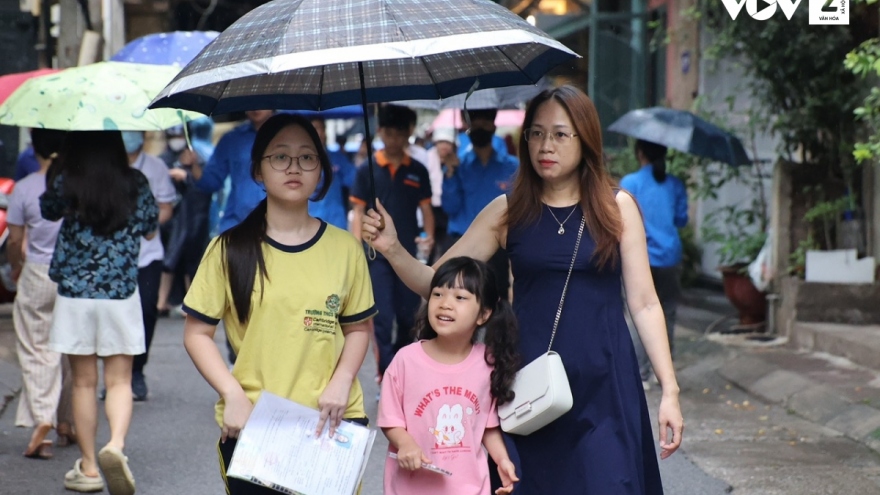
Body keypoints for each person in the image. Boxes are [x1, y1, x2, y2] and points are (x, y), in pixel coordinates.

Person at [362, 85, 684, 494]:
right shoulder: (508, 210)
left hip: (605, 382)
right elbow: (435, 283)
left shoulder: (617, 207)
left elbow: (645, 304)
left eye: (560, 134)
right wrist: (392, 248)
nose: (545, 145)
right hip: (529, 381)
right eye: (536, 133)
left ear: (586, 139)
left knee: (609, 480)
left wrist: (669, 390)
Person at [181, 113, 376, 495]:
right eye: (280, 156)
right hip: (256, 422)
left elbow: (357, 329)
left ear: (321, 169)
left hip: (331, 419)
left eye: (307, 157)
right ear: (258, 169)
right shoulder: (228, 249)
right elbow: (196, 334)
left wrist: (341, 382)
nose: (294, 167)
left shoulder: (345, 249)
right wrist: (232, 394)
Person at [41, 130, 159, 494]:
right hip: (120, 293)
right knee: (120, 381)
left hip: (75, 296)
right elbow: (150, 231)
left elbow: (48, 210)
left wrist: (58, 169)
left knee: (83, 382)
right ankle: (116, 446)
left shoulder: (67, 179)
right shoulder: (135, 181)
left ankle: (90, 467)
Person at [378, 256, 520, 495]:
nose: (445, 304)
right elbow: (390, 419)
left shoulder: (487, 363)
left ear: (483, 314)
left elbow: (486, 426)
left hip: (469, 488)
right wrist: (406, 444)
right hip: (411, 488)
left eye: (460, 297)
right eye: (438, 294)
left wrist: (503, 461)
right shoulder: (406, 360)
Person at [350, 104, 434, 384]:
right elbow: (358, 212)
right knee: (382, 318)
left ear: (409, 132)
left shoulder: (418, 170)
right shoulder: (367, 169)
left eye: (400, 133)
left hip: (407, 255)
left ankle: (403, 368)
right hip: (376, 256)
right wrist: (357, 249)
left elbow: (427, 209)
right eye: (389, 133)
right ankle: (386, 374)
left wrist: (428, 236)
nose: (394, 139)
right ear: (380, 131)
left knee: (410, 316)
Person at [8, 128, 71, 460]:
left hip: (36, 271)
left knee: (36, 349)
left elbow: (15, 240)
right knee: (68, 349)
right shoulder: (75, 183)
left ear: (34, 149)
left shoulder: (24, 187)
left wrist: (15, 267)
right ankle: (67, 422)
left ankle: (43, 419)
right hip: (71, 273)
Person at [620, 140, 688, 388]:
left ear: (640, 153)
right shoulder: (675, 184)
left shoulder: (630, 183)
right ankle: (663, 374)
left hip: (639, 259)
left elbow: (619, 221)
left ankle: (641, 373)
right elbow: (681, 220)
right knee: (667, 313)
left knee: (638, 313)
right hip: (670, 257)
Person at [119, 131, 176, 401]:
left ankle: (137, 370)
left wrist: (144, 226)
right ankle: (117, 374)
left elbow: (166, 207)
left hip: (147, 254)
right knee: (117, 316)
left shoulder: (155, 167)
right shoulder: (106, 166)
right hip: (114, 258)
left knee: (146, 311)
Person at [441, 109, 518, 299]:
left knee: (497, 301)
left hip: (497, 247)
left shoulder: (512, 166)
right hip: (462, 244)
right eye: (475, 125)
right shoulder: (457, 166)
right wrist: (450, 174)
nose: (480, 129)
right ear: (467, 128)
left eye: (485, 124)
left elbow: (519, 208)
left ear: (493, 126)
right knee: (460, 300)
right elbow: (450, 207)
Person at [158, 119, 215, 317]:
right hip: (169, 220)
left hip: (192, 218)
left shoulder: (198, 156)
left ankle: (191, 302)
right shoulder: (163, 159)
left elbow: (205, 186)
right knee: (168, 260)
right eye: (173, 135)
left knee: (192, 260)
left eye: (180, 135)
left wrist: (188, 173)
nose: (176, 139)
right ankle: (161, 301)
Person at [191, 110, 273, 234]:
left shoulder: (290, 134)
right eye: (250, 102)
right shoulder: (232, 138)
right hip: (237, 224)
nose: (256, 108)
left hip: (279, 224)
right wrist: (193, 165)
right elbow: (212, 181)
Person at [307, 116, 356, 230]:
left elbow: (354, 179)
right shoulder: (300, 160)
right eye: (315, 128)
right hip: (310, 221)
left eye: (322, 128)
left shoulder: (337, 158)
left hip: (336, 221)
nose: (320, 133)